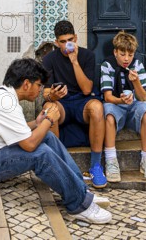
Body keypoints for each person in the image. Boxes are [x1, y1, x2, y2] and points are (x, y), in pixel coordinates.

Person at [0, 59, 112, 225]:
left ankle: (81, 190)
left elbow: (17, 131)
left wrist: (37, 123)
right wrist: (49, 120)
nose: (41, 90)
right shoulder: (6, 104)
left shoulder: (3, 95)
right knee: (41, 154)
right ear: (26, 84)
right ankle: (78, 205)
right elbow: (29, 145)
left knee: (48, 137)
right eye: (39, 85)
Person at [42, 20, 107, 188]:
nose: (66, 45)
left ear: (76, 39)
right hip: (61, 103)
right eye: (62, 42)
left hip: (82, 102)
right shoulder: (49, 59)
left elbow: (86, 90)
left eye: (69, 40)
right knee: (48, 109)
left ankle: (96, 166)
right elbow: (45, 93)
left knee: (98, 107)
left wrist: (74, 62)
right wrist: (53, 95)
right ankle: (58, 167)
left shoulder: (87, 56)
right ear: (56, 42)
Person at [100, 31, 146, 183]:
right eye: (122, 54)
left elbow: (143, 97)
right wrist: (121, 101)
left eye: (130, 54)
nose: (126, 59)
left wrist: (135, 82)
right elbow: (107, 97)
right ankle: (111, 160)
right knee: (108, 113)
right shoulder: (107, 65)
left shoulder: (137, 65)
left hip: (133, 106)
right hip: (116, 104)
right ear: (115, 52)